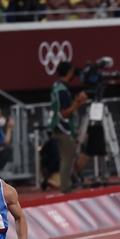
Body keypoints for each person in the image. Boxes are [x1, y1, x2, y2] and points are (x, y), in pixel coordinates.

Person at [48, 61, 88, 194]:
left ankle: (67, 184)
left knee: (69, 157)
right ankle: (65, 187)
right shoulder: (62, 90)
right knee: (67, 158)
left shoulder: (57, 86)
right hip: (62, 128)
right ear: (69, 72)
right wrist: (78, 103)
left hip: (60, 127)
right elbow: (64, 112)